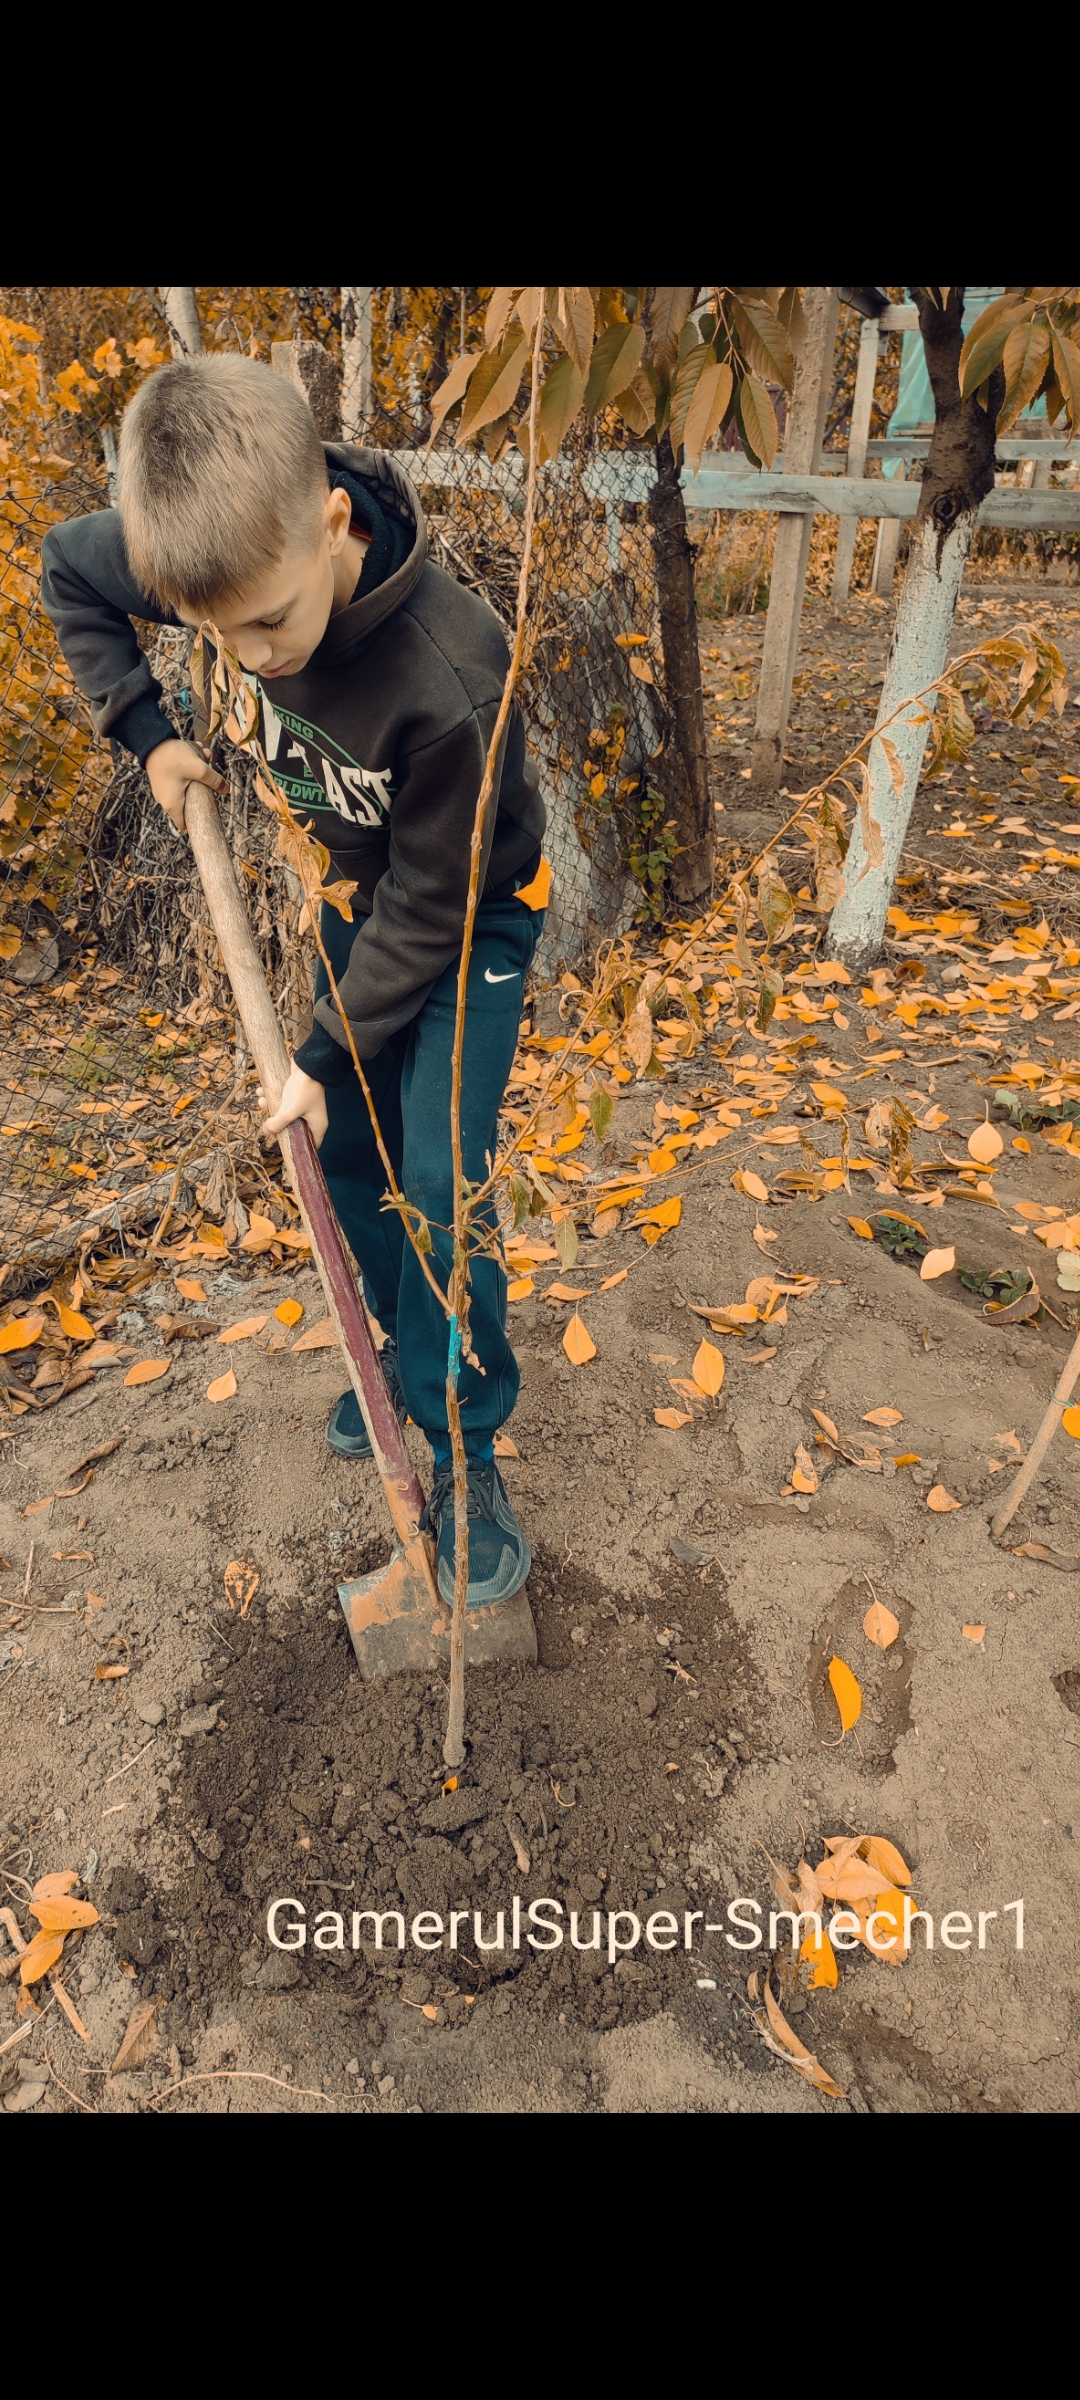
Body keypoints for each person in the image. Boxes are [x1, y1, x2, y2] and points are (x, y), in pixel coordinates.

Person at [41, 352, 549, 1608]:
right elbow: (69, 570)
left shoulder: (451, 673)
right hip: (355, 902)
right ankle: (399, 1367)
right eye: (216, 633)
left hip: (470, 920)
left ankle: (468, 1443)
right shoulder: (217, 550)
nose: (252, 657)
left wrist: (322, 1052)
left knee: (433, 1184)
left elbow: (435, 903)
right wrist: (150, 737)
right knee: (345, 1162)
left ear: (333, 522)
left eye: (269, 622)